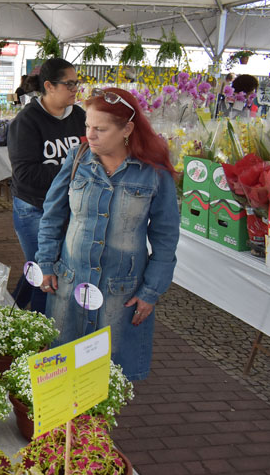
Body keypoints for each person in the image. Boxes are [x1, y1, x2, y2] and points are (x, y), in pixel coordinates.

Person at [36, 87, 179, 381]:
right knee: (62, 371)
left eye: (100, 129)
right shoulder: (78, 158)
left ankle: (94, 428)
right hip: (69, 283)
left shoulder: (153, 173)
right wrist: (46, 263)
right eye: (88, 126)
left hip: (120, 294)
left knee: (106, 378)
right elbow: (53, 213)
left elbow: (165, 238)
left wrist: (151, 291)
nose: (90, 135)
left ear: (127, 129)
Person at [7, 58, 86, 314]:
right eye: (69, 84)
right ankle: (42, 332)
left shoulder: (81, 117)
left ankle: (10, 309)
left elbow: (89, 155)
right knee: (45, 273)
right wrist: (71, 172)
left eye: (77, 83)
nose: (76, 89)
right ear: (50, 86)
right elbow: (25, 173)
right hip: (34, 209)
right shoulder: (27, 122)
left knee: (40, 265)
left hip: (67, 207)